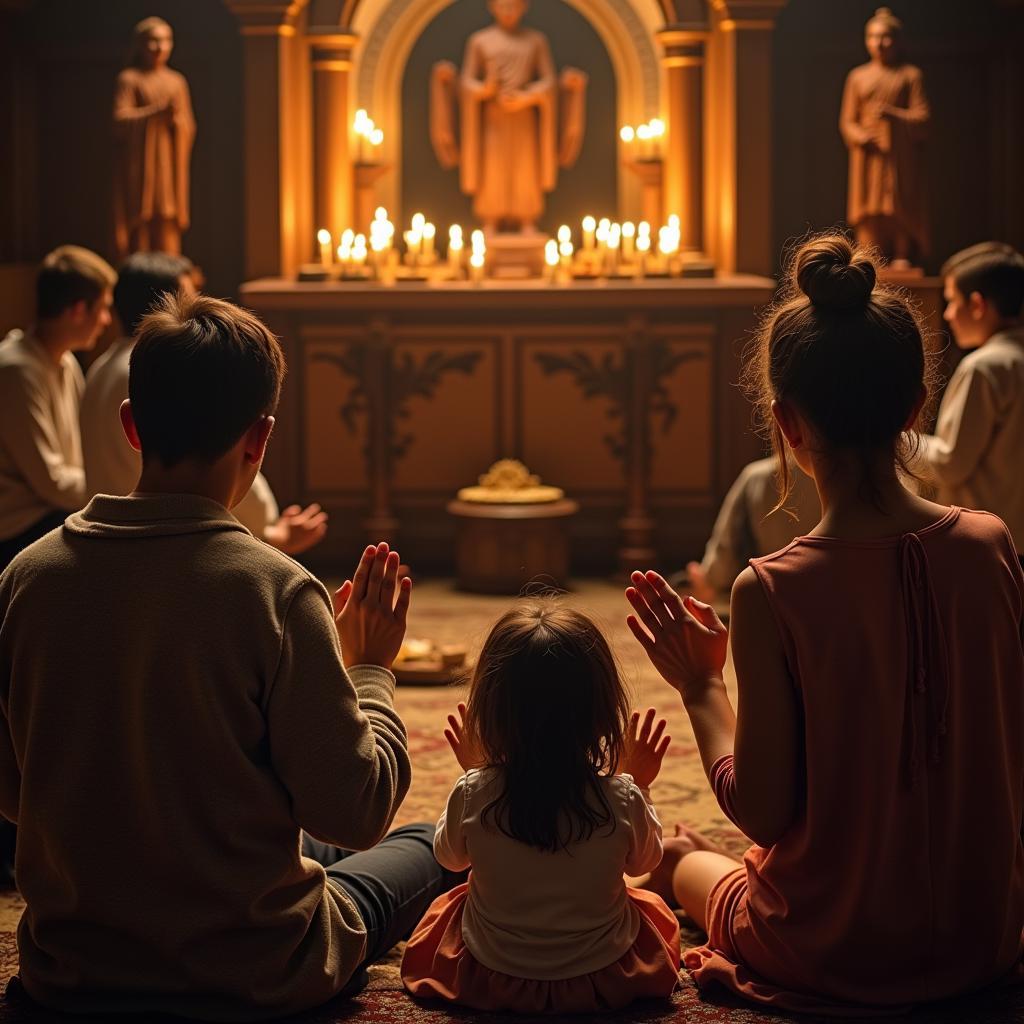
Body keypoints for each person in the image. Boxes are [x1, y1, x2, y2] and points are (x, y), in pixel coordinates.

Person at [0, 291, 463, 1018]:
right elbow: (356, 809)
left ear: (130, 424)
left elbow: (10, 791)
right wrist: (368, 669)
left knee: (308, 841)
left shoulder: (26, 578)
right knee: (426, 840)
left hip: (74, 967)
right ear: (260, 438)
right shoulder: (276, 590)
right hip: (257, 963)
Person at [626, 235, 1024, 1013]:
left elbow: (765, 812)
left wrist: (703, 684)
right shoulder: (990, 545)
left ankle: (687, 865)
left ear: (787, 422)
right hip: (987, 934)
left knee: (681, 857)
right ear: (915, 409)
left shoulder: (772, 590)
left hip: (828, 947)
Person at [402, 600, 681, 1013]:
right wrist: (638, 783)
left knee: (449, 905)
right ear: (603, 712)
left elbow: (450, 859)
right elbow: (644, 863)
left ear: (489, 711)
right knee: (651, 907)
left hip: (492, 973)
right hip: (602, 974)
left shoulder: (476, 789)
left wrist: (476, 773)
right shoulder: (621, 796)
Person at [81, 251, 327, 555]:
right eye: (191, 298)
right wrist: (269, 534)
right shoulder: (159, 372)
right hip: (168, 541)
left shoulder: (100, 369)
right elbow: (210, 451)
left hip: (114, 535)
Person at [0, 245, 115, 572]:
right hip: (18, 525)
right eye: (103, 308)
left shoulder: (64, 363)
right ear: (78, 310)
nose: (107, 320)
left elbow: (80, 451)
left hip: (53, 509)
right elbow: (50, 480)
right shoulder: (16, 371)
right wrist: (112, 490)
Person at [915, 242, 1024, 561]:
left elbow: (951, 464)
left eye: (951, 301)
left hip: (982, 546)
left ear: (977, 305)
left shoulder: (985, 367)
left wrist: (899, 439)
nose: (947, 314)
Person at [839, 7, 930, 266]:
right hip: (868, 156)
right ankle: (870, 255)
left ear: (897, 41)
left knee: (898, 202)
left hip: (898, 156)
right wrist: (861, 136)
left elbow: (922, 117)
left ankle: (902, 253)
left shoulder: (909, 76)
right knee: (869, 206)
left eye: (885, 36)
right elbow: (847, 121)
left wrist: (893, 115)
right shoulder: (857, 77)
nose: (879, 43)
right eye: (872, 37)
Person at [681, 455, 820, 605]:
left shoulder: (756, 476)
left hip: (772, 602)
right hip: (830, 597)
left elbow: (723, 558)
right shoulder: (841, 475)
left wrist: (706, 578)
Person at [113, 17, 195, 258]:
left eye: (166, 40)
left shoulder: (176, 82)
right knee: (141, 221)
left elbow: (188, 126)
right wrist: (154, 114)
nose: (160, 47)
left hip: (168, 166)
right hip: (141, 166)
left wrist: (175, 122)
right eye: (153, 41)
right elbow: (119, 120)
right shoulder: (130, 79)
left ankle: (170, 275)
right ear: (140, 45)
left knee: (167, 219)